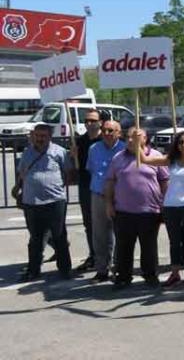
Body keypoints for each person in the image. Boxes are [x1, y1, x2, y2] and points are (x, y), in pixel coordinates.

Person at [138, 131, 184, 288]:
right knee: (174, 242)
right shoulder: (171, 161)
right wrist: (139, 142)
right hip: (170, 206)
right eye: (181, 142)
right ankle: (175, 273)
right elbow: (144, 159)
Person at [105, 128, 169, 289]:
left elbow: (164, 181)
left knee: (149, 246)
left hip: (150, 210)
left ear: (145, 138)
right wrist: (108, 203)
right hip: (123, 211)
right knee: (124, 246)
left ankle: (150, 275)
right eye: (128, 137)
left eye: (136, 137)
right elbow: (110, 181)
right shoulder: (118, 157)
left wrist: (164, 205)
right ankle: (123, 276)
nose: (131, 140)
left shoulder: (155, 156)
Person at [16, 123, 73, 282]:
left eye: (43, 136)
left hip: (55, 201)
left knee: (59, 236)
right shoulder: (27, 152)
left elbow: (68, 173)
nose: (40, 139)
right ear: (33, 136)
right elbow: (21, 173)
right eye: (37, 136)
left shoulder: (59, 152)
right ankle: (33, 270)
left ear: (50, 137)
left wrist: (54, 187)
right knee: (35, 238)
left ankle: (65, 269)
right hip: (32, 202)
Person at [86, 120, 125, 282]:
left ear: (119, 133)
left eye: (111, 130)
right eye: (104, 130)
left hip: (120, 197)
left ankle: (119, 268)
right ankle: (102, 269)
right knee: (100, 235)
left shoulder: (125, 149)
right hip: (98, 195)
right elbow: (92, 170)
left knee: (121, 234)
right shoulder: (93, 149)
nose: (107, 133)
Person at [73, 109, 102, 272]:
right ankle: (93, 255)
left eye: (92, 120)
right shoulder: (80, 140)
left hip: (102, 187)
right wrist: (72, 155)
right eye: (87, 121)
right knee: (89, 224)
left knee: (106, 224)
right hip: (85, 186)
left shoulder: (104, 139)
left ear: (100, 122)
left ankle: (108, 257)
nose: (89, 124)